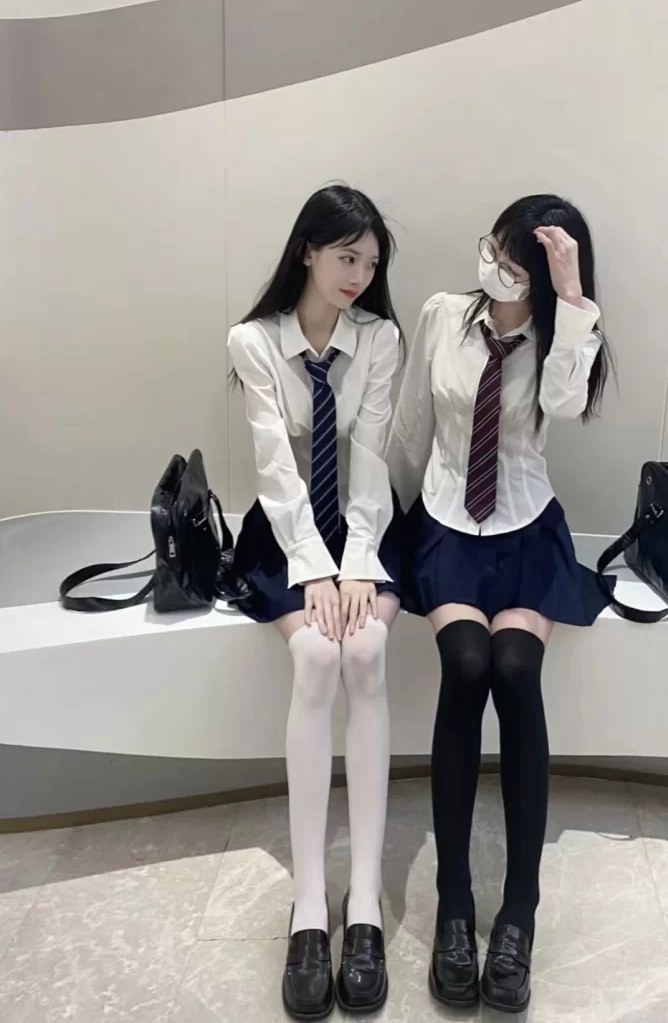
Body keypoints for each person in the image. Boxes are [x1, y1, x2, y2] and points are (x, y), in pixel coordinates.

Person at [386, 194, 614, 1014]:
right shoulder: (442, 315)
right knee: (467, 662)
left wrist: (573, 297)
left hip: (525, 528)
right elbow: (411, 425)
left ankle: (519, 911)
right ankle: (454, 902)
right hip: (447, 522)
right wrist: (384, 534)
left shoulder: (562, 339)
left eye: (516, 264)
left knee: (516, 670)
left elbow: (564, 407)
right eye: (493, 249)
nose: (495, 268)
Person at [228, 184, 404, 1020]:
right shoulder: (254, 342)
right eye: (345, 256)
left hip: (364, 529)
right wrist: (313, 570)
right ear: (308, 250)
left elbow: (372, 458)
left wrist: (358, 559)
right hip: (285, 532)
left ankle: (363, 900)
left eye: (370, 262)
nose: (358, 275)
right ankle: (308, 904)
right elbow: (275, 469)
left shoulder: (381, 339)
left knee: (364, 651)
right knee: (315, 659)